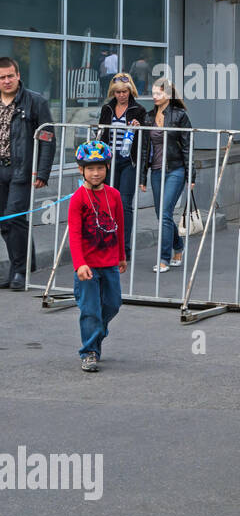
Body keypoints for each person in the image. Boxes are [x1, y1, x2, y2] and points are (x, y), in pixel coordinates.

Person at [68, 141, 125, 372]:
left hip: (110, 262)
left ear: (107, 168)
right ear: (81, 169)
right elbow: (74, 234)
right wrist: (79, 264)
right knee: (90, 309)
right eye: (90, 168)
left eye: (100, 167)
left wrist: (122, 256)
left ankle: (97, 331)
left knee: (113, 304)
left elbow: (120, 227)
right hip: (87, 267)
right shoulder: (78, 199)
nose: (95, 173)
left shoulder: (114, 195)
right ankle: (89, 352)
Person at [0, 56, 55, 290]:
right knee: (6, 223)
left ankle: (20, 271)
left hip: (21, 170)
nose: (6, 81)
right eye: (2, 77)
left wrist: (42, 172)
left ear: (18, 75)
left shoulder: (35, 102)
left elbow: (48, 138)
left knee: (13, 218)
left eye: (10, 75)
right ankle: (19, 267)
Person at [139, 78, 193, 273]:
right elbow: (145, 149)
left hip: (175, 169)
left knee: (164, 213)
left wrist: (190, 175)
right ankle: (178, 246)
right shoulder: (148, 117)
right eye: (153, 93)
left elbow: (188, 147)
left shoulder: (180, 116)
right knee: (162, 215)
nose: (154, 96)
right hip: (156, 170)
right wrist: (143, 177)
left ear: (168, 95)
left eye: (159, 93)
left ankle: (164, 258)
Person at [96, 72, 146, 262]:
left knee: (124, 204)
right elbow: (100, 134)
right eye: (117, 92)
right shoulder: (107, 108)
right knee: (107, 203)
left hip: (129, 161)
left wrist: (138, 126)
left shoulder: (138, 109)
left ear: (130, 90)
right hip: (110, 161)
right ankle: (108, 243)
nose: (121, 95)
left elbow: (144, 138)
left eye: (124, 91)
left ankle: (124, 248)